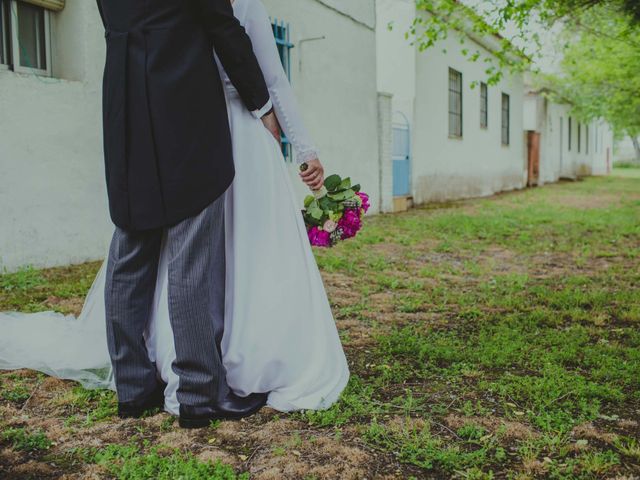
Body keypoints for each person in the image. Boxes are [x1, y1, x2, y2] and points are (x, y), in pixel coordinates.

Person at [0, 0, 349, 430]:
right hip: (187, 115)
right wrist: (262, 106)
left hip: (125, 110)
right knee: (192, 255)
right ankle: (199, 394)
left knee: (131, 251)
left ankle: (133, 388)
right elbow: (223, 28)